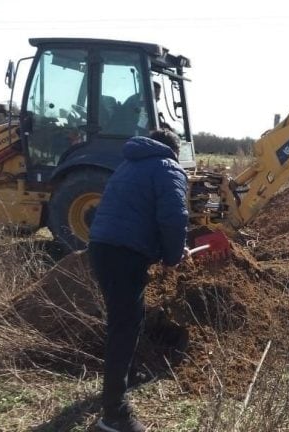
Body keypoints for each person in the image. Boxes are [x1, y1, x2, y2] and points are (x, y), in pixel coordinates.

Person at [88, 129, 189, 432]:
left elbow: (134, 213)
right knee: (124, 326)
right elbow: (173, 217)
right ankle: (114, 415)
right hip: (125, 254)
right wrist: (172, 255)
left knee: (129, 317)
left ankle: (128, 375)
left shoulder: (128, 164)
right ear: (173, 150)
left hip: (102, 248)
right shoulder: (168, 168)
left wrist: (164, 249)